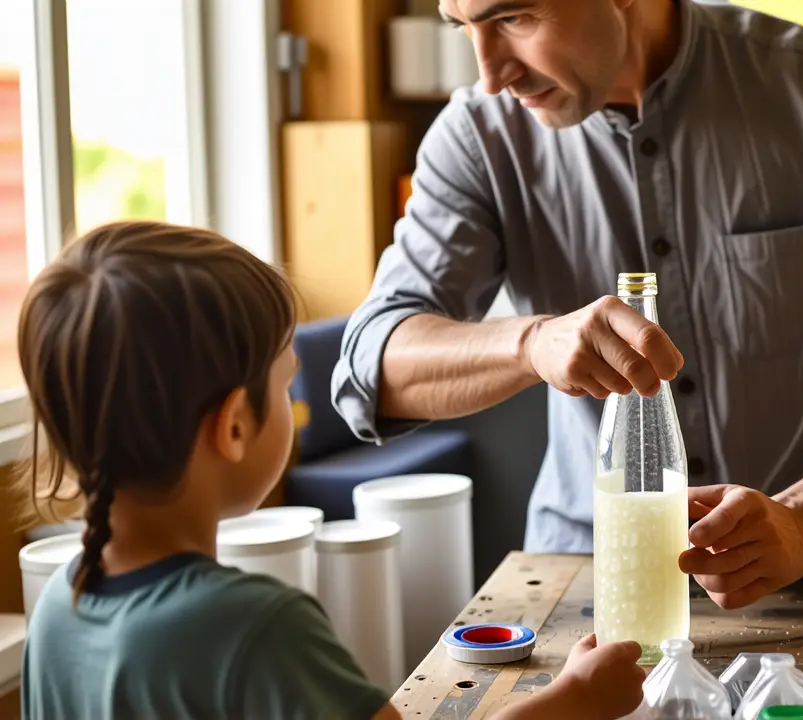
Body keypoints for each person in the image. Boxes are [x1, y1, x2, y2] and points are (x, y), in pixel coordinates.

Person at [334, 0, 803, 610]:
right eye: (461, 24)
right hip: (581, 583)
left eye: (513, 18)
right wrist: (532, 343)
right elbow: (371, 366)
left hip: (789, 580)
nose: (490, 74)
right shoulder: (477, 137)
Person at [16, 221, 645, 720]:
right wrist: (579, 701)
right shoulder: (255, 627)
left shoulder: (57, 610)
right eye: (288, 387)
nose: (296, 406)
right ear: (234, 426)